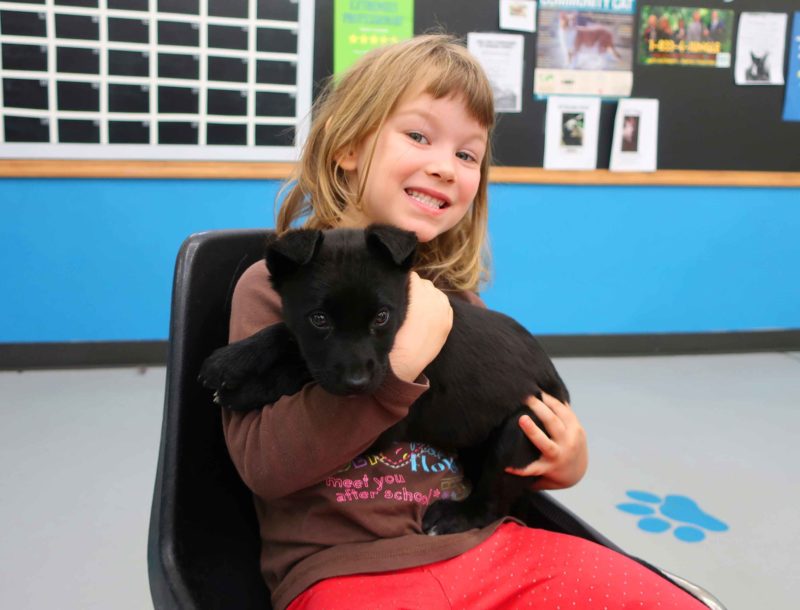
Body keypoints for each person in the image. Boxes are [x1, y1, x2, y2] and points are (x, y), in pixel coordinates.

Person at [222, 34, 708, 610]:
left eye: (467, 154)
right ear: (348, 146)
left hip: (487, 545)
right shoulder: (273, 286)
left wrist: (563, 461)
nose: (445, 167)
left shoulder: (461, 304)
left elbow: (497, 432)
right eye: (419, 135)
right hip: (345, 570)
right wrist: (400, 365)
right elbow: (264, 467)